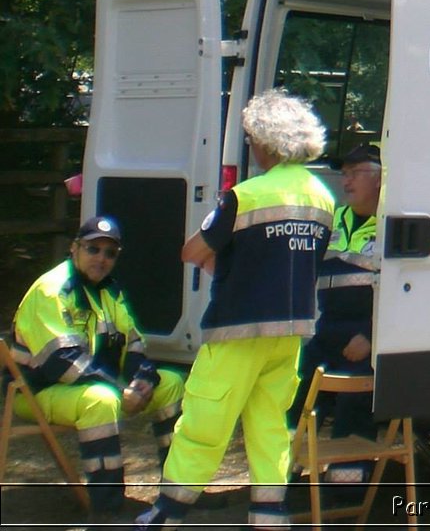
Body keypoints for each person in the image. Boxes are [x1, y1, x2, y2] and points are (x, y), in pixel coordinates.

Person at [136, 90, 335, 529]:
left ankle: (166, 515)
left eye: (250, 139)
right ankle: (270, 516)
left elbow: (192, 250)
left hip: (237, 328)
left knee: (205, 420)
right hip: (291, 332)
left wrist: (219, 258)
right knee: (269, 426)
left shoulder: (244, 196)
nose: (250, 147)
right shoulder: (323, 198)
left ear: (266, 140)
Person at [11, 215, 186, 518]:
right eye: (93, 249)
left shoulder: (109, 291)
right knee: (101, 401)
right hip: (39, 390)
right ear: (74, 248)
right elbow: (63, 363)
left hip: (96, 385)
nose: (101, 258)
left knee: (170, 382)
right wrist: (122, 390)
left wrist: (141, 382)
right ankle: (107, 510)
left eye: (110, 253)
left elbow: (134, 346)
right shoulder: (51, 290)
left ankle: (177, 493)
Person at [288, 142, 381, 458]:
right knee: (289, 404)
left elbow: (409, 293)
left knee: (352, 415)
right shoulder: (329, 220)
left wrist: (372, 336)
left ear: (382, 178)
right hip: (324, 334)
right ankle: (280, 484)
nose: (346, 181)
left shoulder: (393, 225)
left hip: (364, 342)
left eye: (356, 172)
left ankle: (345, 496)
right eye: (344, 173)